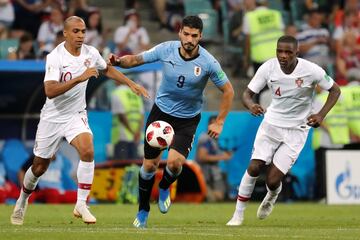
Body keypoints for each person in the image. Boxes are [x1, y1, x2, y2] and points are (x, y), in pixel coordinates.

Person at [10, 16, 149, 226]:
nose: (81, 35)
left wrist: (131, 84)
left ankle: (82, 203)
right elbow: (49, 91)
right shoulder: (55, 57)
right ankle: (22, 199)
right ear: (65, 33)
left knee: (88, 150)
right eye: (76, 31)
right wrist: (79, 78)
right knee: (39, 167)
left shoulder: (91, 53)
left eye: (83, 31)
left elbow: (107, 69)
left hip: (76, 114)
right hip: (53, 117)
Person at [109, 15, 234, 228]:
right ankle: (143, 211)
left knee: (176, 164)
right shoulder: (166, 49)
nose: (189, 39)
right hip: (161, 115)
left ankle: (165, 185)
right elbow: (137, 59)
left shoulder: (208, 62)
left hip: (187, 119)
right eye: (186, 34)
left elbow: (229, 91)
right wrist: (120, 61)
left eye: (194, 36)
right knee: (149, 165)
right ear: (180, 33)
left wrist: (220, 121)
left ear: (200, 37)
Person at [226, 35, 340, 226]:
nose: (283, 55)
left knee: (272, 180)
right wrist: (251, 105)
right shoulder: (268, 68)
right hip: (271, 125)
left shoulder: (311, 70)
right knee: (254, 166)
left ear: (297, 52)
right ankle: (238, 215)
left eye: (288, 52)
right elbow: (247, 94)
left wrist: (320, 115)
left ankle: (271, 196)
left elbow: (335, 90)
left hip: (297, 130)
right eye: (280, 51)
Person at [195, 115, 232, 202]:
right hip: (204, 173)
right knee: (213, 198)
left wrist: (224, 154)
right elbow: (202, 157)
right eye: (213, 124)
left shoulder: (214, 138)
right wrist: (223, 157)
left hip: (214, 173)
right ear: (209, 125)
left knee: (220, 196)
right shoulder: (205, 138)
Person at [110, 82, 144, 160]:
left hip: (121, 137)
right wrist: (137, 133)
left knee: (121, 165)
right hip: (135, 137)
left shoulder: (117, 93)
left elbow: (121, 116)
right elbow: (141, 115)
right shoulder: (136, 93)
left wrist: (132, 131)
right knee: (134, 164)